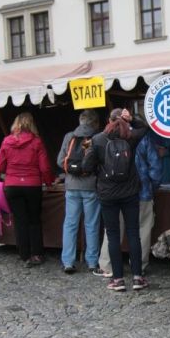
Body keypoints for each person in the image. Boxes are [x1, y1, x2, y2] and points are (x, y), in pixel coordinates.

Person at [89, 108, 147, 292]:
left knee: (113, 235)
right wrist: (132, 119)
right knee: (133, 233)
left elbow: (86, 166)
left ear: (108, 120)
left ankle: (118, 279)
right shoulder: (131, 137)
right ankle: (138, 277)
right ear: (124, 121)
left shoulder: (97, 140)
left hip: (107, 193)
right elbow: (145, 127)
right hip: (130, 192)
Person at [98, 128, 162, 277]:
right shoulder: (145, 140)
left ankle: (107, 266)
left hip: (114, 192)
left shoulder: (107, 139)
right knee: (142, 230)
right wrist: (152, 186)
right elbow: (155, 166)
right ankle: (139, 266)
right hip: (142, 191)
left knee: (112, 231)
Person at [0, 112, 55, 268]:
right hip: (32, 185)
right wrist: (49, 183)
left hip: (12, 185)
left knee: (20, 220)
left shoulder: (6, 141)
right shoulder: (37, 142)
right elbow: (45, 167)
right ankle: (37, 254)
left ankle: (24, 254)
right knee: (34, 220)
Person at [56, 110, 103, 275]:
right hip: (91, 186)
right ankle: (92, 261)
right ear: (95, 122)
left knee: (70, 224)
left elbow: (60, 160)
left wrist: (73, 171)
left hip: (71, 186)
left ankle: (68, 261)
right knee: (91, 224)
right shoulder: (97, 137)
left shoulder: (70, 136)